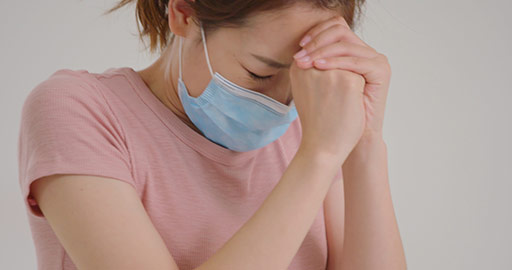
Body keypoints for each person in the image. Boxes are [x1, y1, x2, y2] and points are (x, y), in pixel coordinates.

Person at [17, 0, 406, 269]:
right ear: (183, 14)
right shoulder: (78, 108)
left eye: (304, 79)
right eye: (261, 73)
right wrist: (318, 157)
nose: (283, 102)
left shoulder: (315, 130)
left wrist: (364, 141)